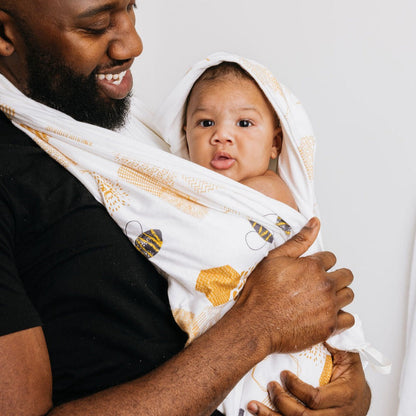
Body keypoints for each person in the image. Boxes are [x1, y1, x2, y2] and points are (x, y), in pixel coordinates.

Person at [0, 1, 370, 415]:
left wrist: (343, 389)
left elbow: (283, 285)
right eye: (97, 25)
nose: (133, 44)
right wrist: (257, 329)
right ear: (5, 34)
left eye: (131, 7)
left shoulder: (125, 128)